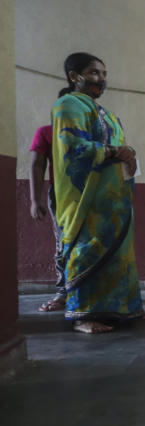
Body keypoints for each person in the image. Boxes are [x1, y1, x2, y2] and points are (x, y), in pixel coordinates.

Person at [51, 52, 142, 333]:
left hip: (114, 201)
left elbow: (123, 148)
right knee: (88, 249)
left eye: (103, 74)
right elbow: (73, 148)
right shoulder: (68, 105)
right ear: (74, 76)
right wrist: (115, 152)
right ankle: (84, 314)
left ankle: (118, 309)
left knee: (118, 255)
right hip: (86, 200)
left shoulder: (109, 115)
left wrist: (128, 154)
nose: (100, 79)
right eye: (93, 73)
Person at [27, 124, 66, 312]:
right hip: (62, 193)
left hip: (93, 192)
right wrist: (35, 199)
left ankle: (95, 294)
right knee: (64, 241)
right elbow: (37, 164)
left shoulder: (94, 129)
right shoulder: (47, 131)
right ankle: (64, 292)